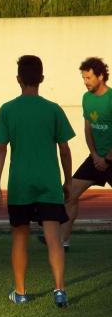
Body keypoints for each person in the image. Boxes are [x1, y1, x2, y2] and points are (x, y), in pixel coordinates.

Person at [0, 55, 75, 308]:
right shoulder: (53, 109)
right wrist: (68, 181)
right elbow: (64, 149)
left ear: (18, 79)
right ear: (41, 79)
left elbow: (1, 149)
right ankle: (59, 290)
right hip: (49, 183)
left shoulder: (7, 109)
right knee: (54, 238)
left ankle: (20, 292)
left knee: (20, 237)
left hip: (20, 185)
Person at [43, 57, 112, 250]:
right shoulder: (86, 98)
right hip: (96, 159)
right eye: (83, 78)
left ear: (100, 76)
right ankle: (63, 240)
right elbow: (88, 129)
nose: (86, 82)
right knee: (69, 194)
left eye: (89, 77)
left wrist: (107, 159)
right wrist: (95, 156)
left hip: (110, 159)